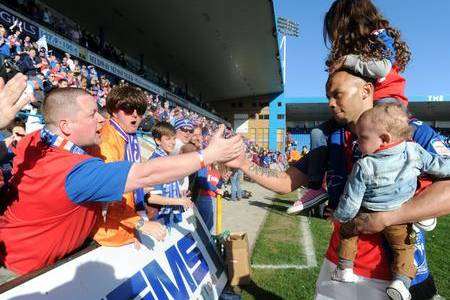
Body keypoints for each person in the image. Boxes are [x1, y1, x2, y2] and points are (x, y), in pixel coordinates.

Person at [227, 69, 446, 299]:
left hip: (394, 274)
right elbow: (286, 181)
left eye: (337, 94)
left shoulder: (409, 129)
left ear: (366, 90)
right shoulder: (331, 138)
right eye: (328, 97)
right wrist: (244, 164)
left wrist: (389, 217)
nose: (330, 103)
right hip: (340, 264)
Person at [0, 88, 243, 276]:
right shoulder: (75, 170)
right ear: (65, 126)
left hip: (18, 252)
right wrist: (207, 156)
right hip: (24, 272)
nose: (101, 120)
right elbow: (144, 174)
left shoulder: (34, 139)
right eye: (92, 114)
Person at [287, 0, 411, 215]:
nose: (334, 37)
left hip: (386, 104)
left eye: (335, 29)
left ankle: (400, 194)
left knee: (368, 142)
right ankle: (318, 187)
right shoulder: (352, 52)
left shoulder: (378, 37)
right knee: (319, 132)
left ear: (348, 22)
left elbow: (383, 68)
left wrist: (346, 60)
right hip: (363, 108)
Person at [331, 103, 450, 299]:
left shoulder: (365, 164)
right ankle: (401, 282)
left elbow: (352, 199)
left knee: (347, 232)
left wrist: (340, 216)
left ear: (384, 139)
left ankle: (345, 269)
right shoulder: (414, 150)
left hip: (368, 213)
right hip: (400, 215)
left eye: (362, 138)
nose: (357, 142)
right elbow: (437, 166)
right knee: (404, 248)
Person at [89, 85, 153, 247]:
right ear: (114, 110)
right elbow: (110, 192)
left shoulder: (129, 137)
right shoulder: (108, 140)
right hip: (108, 233)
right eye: (128, 108)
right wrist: (139, 223)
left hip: (123, 227)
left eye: (140, 110)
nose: (135, 114)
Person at [147, 122, 194, 226]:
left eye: (173, 138)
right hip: (159, 219)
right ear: (158, 140)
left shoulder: (166, 159)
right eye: (168, 139)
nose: (172, 142)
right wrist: (179, 201)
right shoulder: (156, 162)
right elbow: (152, 197)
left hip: (169, 217)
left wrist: (179, 193)